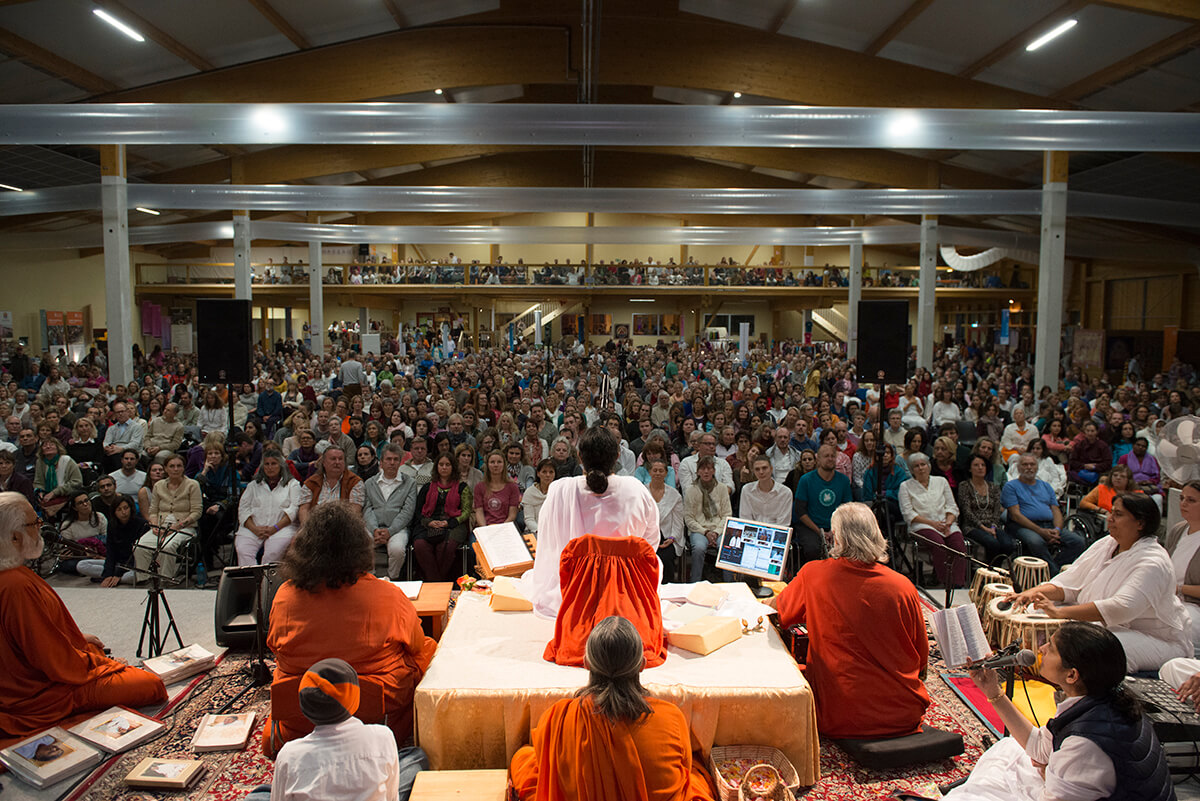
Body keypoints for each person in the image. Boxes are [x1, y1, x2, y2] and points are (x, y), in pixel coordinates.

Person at [263, 501, 436, 758]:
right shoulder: (387, 594)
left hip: (301, 720)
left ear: (305, 546)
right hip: (378, 720)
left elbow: (274, 646)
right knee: (429, 648)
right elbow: (417, 644)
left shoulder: (285, 595)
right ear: (359, 546)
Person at [0, 492, 167, 747]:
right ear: (13, 537)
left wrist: (78, 641)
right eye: (34, 524)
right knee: (149, 685)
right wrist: (101, 666)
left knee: (93, 646)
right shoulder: (15, 584)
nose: (40, 530)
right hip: (35, 696)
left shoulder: (15, 574)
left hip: (24, 677)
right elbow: (51, 660)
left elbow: (35, 637)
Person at [945, 622, 1171, 801]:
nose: (1041, 649)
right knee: (1008, 746)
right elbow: (1039, 747)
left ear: (1072, 675)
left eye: (1051, 648)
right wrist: (993, 691)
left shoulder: (1085, 743)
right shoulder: (1104, 700)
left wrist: (1048, 773)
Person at [509, 616, 718, 801]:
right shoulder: (670, 718)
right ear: (642, 665)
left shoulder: (558, 717)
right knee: (697, 773)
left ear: (586, 663)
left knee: (523, 758)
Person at [774, 503, 929, 737]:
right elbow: (921, 660)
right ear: (876, 535)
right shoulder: (903, 586)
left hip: (841, 715)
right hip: (904, 713)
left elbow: (780, 615)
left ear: (836, 539)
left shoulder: (814, 574)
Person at [1008, 493, 1189, 673]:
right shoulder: (1108, 543)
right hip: (1104, 625)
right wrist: (1032, 593)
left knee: (1096, 649)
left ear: (1140, 523)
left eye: (1118, 514)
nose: (1109, 519)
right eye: (1111, 513)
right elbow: (1071, 584)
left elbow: (1121, 608)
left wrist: (1059, 612)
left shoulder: (1153, 560)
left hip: (1153, 638)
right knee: (1032, 610)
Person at [244, 657, 428, 801]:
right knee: (414, 757)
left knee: (259, 793)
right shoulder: (382, 736)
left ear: (304, 709)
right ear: (355, 701)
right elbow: (390, 796)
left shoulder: (289, 755)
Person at [523, 425, 659, 619]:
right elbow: (649, 546)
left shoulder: (560, 490)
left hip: (573, 593)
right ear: (618, 455)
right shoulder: (636, 489)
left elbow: (548, 545)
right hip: (626, 593)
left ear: (579, 456)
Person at [1002, 452, 1086, 575]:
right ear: (1019, 468)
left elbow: (1055, 510)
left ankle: (1053, 570)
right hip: (1022, 527)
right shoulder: (1011, 486)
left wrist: (1057, 530)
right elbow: (1015, 515)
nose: (1029, 467)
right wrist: (1041, 532)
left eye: (1032, 464)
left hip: (1049, 526)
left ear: (1037, 467)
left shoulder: (1046, 486)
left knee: (1078, 541)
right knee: (1036, 542)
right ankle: (1053, 573)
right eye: (1025, 464)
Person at [900, 453, 968, 588]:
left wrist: (948, 522)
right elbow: (908, 513)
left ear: (929, 466)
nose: (920, 468)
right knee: (939, 544)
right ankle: (945, 582)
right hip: (921, 525)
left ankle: (958, 584)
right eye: (916, 466)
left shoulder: (941, 481)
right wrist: (933, 524)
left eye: (923, 464)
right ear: (912, 470)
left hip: (945, 523)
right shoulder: (905, 486)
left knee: (959, 545)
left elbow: (951, 506)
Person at [138, 453, 202, 580]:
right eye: (172, 466)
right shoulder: (158, 485)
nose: (176, 469)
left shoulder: (192, 485)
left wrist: (177, 526)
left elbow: (197, 512)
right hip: (161, 525)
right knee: (140, 546)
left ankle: (165, 579)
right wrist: (155, 525)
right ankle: (145, 579)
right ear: (166, 469)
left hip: (184, 527)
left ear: (184, 468)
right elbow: (153, 510)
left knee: (167, 547)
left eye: (179, 466)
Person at [411, 454, 472, 581]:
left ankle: (434, 582)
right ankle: (437, 582)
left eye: (447, 465)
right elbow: (418, 510)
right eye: (441, 464)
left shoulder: (463, 487)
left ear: (453, 467)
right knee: (420, 544)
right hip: (429, 523)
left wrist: (448, 523)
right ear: (436, 467)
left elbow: (466, 512)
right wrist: (429, 522)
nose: (444, 467)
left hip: (454, 524)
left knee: (445, 546)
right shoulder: (427, 487)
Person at [235, 449, 301, 566]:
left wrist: (274, 528)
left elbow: (294, 509)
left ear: (281, 466)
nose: (270, 467)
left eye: (274, 464)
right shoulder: (253, 485)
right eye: (267, 464)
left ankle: (267, 583)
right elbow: (243, 509)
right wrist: (254, 529)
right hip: (253, 527)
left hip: (281, 528)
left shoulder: (293, 484)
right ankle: (251, 582)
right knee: (243, 550)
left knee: (272, 553)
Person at [362, 443, 418, 580]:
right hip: (373, 527)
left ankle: (392, 580)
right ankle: (371, 578)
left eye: (395, 459)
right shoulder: (369, 483)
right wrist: (375, 529)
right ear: (381, 462)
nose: (392, 463)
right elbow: (367, 509)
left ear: (400, 462)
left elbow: (407, 512)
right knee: (363, 544)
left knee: (397, 550)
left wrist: (390, 531)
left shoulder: (410, 483)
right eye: (388, 459)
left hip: (398, 529)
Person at [791, 443, 853, 567]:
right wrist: (820, 532)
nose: (830, 459)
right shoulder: (806, 480)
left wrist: (833, 530)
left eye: (832, 456)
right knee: (812, 549)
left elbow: (847, 509)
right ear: (818, 459)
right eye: (826, 456)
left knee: (847, 549)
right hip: (811, 527)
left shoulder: (844, 480)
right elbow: (800, 511)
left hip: (836, 527)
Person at [683, 455, 733, 582]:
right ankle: (694, 583)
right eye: (703, 469)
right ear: (698, 471)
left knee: (726, 547)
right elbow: (689, 518)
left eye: (709, 469)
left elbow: (727, 514)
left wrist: (716, 532)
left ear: (714, 471)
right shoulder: (691, 490)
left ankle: (730, 583)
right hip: (700, 530)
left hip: (719, 529)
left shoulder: (721, 488)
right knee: (699, 548)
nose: (706, 472)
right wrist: (705, 532)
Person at [957, 454, 1014, 565]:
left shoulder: (993, 487)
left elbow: (997, 510)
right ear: (969, 468)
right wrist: (984, 528)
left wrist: (992, 527)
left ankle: (993, 568)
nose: (980, 468)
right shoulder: (964, 486)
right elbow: (966, 511)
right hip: (972, 526)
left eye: (983, 465)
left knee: (1008, 545)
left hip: (992, 525)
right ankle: (990, 571)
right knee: (993, 543)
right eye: (976, 465)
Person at [78, 494, 145, 586]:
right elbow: (110, 551)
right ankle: (109, 578)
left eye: (126, 508)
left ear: (131, 508)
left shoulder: (141, 524)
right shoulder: (112, 525)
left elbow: (136, 556)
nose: (123, 512)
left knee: (135, 576)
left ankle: (116, 579)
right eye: (119, 509)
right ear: (114, 512)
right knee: (81, 565)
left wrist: (118, 574)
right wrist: (108, 574)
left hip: (134, 564)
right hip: (117, 563)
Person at [1165, 481, 1200, 645]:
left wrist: (1179, 588)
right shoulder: (1178, 529)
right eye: (1182, 498)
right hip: (1168, 598)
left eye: (1191, 500)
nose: (1183, 504)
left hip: (1194, 607)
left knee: (1179, 631)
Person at [297, 446, 364, 525]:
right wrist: (307, 528)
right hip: (315, 526)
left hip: (345, 526)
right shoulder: (311, 483)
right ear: (324, 462)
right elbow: (304, 509)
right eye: (333, 459)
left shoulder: (355, 482)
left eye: (340, 459)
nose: (337, 462)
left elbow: (355, 512)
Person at [646, 457, 684, 582]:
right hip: (647, 537)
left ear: (666, 473)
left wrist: (672, 538)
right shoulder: (642, 492)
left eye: (661, 471)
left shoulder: (675, 495)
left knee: (666, 558)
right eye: (655, 470)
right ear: (650, 472)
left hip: (668, 537)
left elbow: (678, 522)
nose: (657, 473)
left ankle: (667, 588)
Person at [33, 437, 82, 517]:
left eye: (51, 445)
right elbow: (38, 481)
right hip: (47, 494)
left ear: (58, 447)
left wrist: (55, 492)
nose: (48, 447)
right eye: (45, 445)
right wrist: (40, 492)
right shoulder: (40, 462)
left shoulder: (67, 460)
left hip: (66, 494)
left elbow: (77, 482)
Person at [474, 449, 522, 528]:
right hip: (484, 527)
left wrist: (499, 530)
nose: (496, 465)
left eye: (499, 462)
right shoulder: (479, 487)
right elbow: (479, 512)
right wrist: (486, 529)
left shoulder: (512, 487)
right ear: (487, 465)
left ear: (504, 464)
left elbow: (512, 515)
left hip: (505, 527)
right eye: (492, 462)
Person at [520, 458, 556, 538]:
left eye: (551, 472)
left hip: (554, 531)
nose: (548, 475)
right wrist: (540, 531)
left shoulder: (558, 492)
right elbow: (529, 519)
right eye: (544, 472)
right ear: (538, 473)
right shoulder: (529, 493)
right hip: (534, 531)